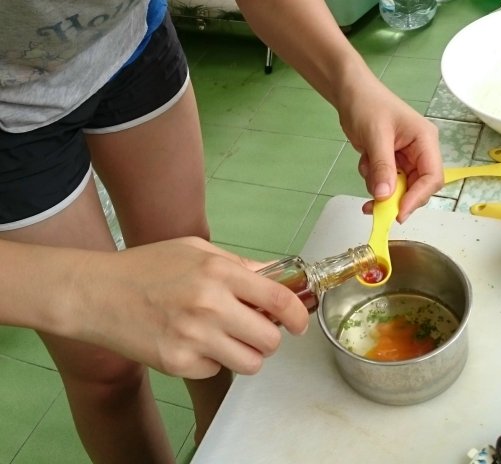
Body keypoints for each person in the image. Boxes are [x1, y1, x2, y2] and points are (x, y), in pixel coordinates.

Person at [0, 0, 443, 462]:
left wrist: (350, 79)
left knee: (191, 256)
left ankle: (214, 432)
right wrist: (82, 289)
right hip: (9, 117)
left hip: (129, 46)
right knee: (103, 368)